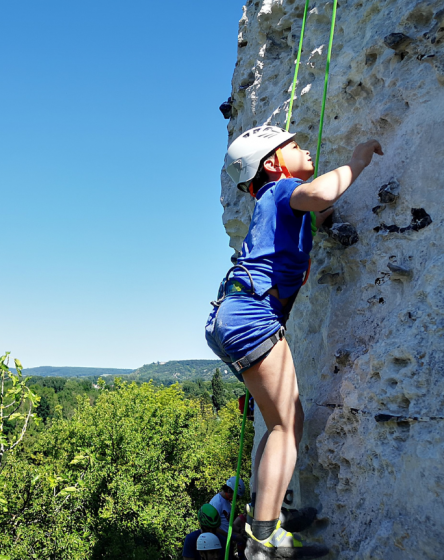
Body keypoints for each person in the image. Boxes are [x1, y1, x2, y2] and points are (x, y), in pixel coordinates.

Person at [206, 126, 383, 558]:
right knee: (289, 424)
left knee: (280, 423)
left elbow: (316, 213)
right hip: (252, 316)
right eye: (295, 147)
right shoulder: (285, 190)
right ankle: (264, 541)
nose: (306, 150)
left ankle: (266, 517)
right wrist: (358, 159)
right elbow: (319, 195)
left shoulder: (275, 203)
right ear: (273, 164)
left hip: (235, 313)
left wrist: (322, 218)